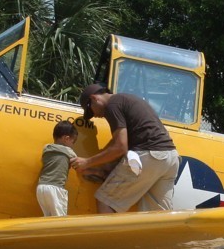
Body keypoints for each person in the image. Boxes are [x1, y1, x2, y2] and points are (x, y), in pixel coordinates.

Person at [70, 83, 179, 213]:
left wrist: (86, 162)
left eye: (90, 109)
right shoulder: (127, 99)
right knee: (156, 216)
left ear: (94, 98)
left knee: (105, 201)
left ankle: (110, 234)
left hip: (150, 155)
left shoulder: (112, 105)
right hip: (170, 158)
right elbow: (117, 142)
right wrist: (100, 166)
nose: (94, 115)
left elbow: (120, 147)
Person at [36, 120, 78, 217]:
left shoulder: (47, 148)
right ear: (66, 139)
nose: (73, 144)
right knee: (60, 221)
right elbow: (78, 165)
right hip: (55, 188)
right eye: (73, 141)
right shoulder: (69, 152)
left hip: (41, 188)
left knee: (48, 218)